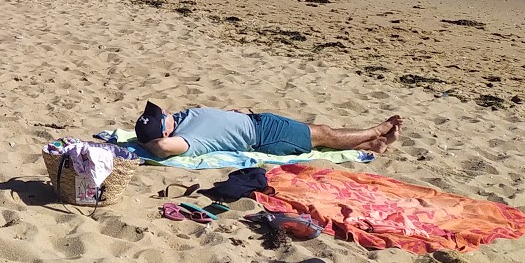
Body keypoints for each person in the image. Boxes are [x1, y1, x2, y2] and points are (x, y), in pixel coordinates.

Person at [132, 101, 402, 159]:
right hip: (265, 136)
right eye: (162, 118)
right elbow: (163, 148)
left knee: (318, 138)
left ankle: (372, 146)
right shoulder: (182, 139)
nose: (165, 112)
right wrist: (147, 144)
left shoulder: (182, 119)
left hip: (259, 122)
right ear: (163, 133)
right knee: (324, 133)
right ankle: (375, 130)